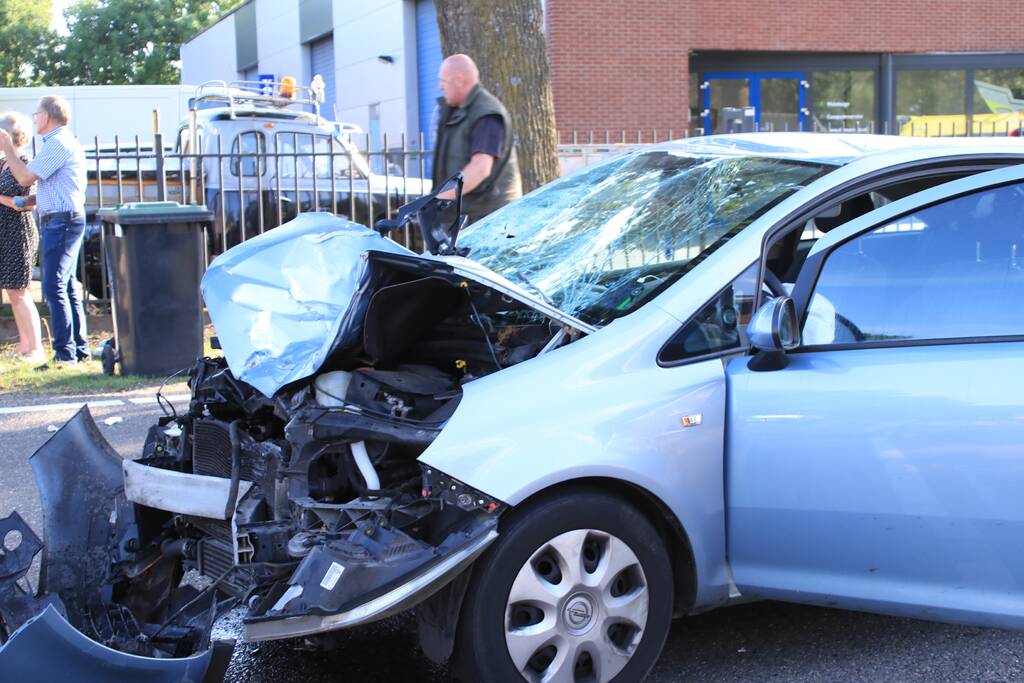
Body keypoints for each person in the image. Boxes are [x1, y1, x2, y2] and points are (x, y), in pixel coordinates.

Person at [0, 95, 89, 364]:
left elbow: (25, 177)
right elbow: (54, 187)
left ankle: (64, 354)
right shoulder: (59, 142)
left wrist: (7, 147)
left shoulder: (59, 143)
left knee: (54, 287)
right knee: (67, 286)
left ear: (47, 116)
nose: (35, 119)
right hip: (62, 219)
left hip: (62, 221)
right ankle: (78, 349)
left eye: (37, 114)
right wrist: (25, 201)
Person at [433, 54, 522, 224]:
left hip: (488, 222)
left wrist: (437, 200)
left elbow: (480, 169)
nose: (440, 87)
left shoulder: (486, 114)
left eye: (443, 81)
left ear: (459, 80)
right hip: (466, 218)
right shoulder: (455, 112)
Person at [0, 112, 43, 362]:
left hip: (19, 231)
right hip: (5, 232)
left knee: (19, 290)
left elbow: (26, 203)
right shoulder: (3, 163)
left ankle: (35, 347)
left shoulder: (24, 162)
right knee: (12, 291)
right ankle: (24, 344)